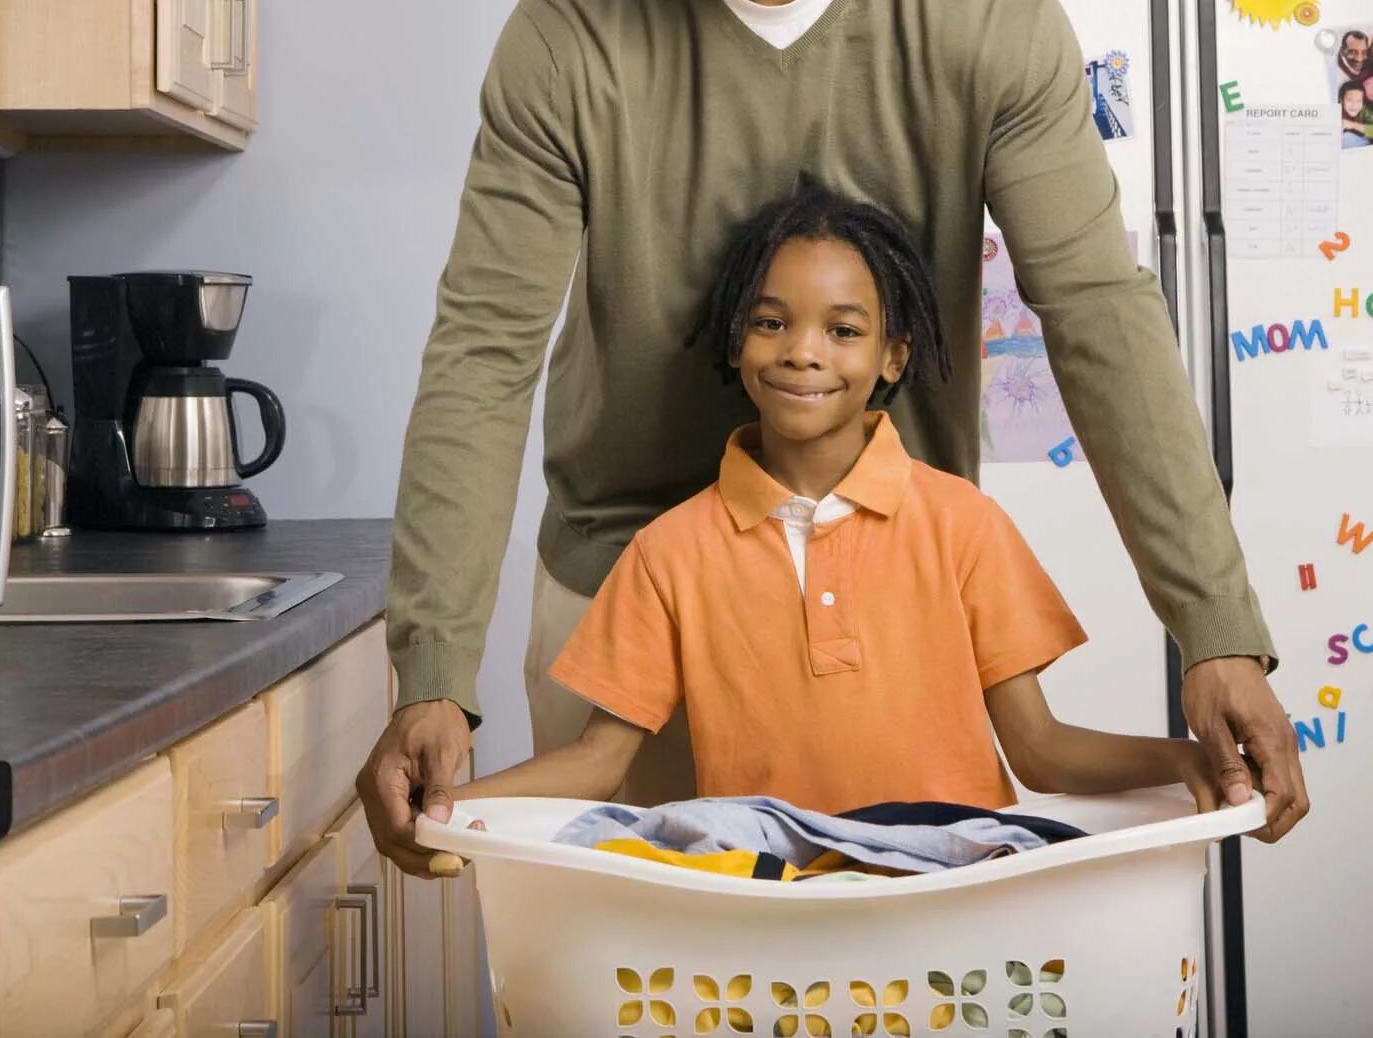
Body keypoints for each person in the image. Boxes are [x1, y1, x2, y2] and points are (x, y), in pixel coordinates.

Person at [361, 0, 1306, 880]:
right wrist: (435, 673)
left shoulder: (979, 9)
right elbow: (483, 353)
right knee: (647, 994)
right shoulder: (568, 39)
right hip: (630, 590)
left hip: (890, 597)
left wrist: (1215, 631)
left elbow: (1097, 312)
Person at [455, 188, 1217, 816]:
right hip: (778, 937)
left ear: (894, 354)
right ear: (734, 340)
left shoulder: (963, 526)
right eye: (770, 322)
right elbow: (596, 762)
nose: (803, 351)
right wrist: (445, 809)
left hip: (959, 917)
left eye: (843, 329)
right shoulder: (668, 553)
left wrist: (1189, 758)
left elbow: (1039, 750)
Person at [1338, 80, 1373, 147]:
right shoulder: (1337, 111)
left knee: (1347, 138)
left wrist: (1352, 125)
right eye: (1350, 100)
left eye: (1359, 101)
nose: (1354, 105)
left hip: (1364, 143)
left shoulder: (1364, 111)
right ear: (1341, 100)